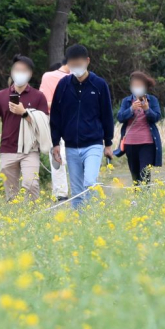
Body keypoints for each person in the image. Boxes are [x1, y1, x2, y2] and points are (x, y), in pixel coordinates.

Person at [49, 45, 114, 209]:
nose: (76, 67)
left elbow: (107, 114)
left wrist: (108, 143)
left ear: (87, 61)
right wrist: (55, 142)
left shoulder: (99, 85)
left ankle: (94, 214)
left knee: (90, 182)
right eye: (73, 64)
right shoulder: (63, 85)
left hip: (93, 144)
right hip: (71, 146)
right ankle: (80, 221)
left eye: (79, 63)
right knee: (77, 191)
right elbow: (56, 115)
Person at [0, 55, 50, 202]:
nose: (20, 73)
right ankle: (15, 214)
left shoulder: (38, 96)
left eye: (24, 70)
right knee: (11, 191)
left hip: (30, 149)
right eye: (17, 70)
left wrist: (24, 113)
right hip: (7, 149)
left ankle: (32, 213)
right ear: (11, 72)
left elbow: (43, 123)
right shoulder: (0, 96)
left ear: (30, 74)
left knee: (31, 184)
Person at [115, 71, 162, 185]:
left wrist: (147, 109)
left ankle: (145, 195)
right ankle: (137, 195)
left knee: (145, 174)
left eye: (139, 85)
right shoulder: (126, 101)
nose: (137, 88)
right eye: (134, 85)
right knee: (135, 176)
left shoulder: (152, 100)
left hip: (147, 143)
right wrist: (131, 109)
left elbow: (156, 117)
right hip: (130, 143)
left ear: (145, 86)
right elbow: (120, 117)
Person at [39, 61, 72, 201]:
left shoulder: (81, 77)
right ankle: (60, 193)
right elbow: (42, 103)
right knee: (57, 156)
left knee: (73, 156)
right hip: (55, 122)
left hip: (75, 123)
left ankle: (80, 189)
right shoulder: (49, 77)